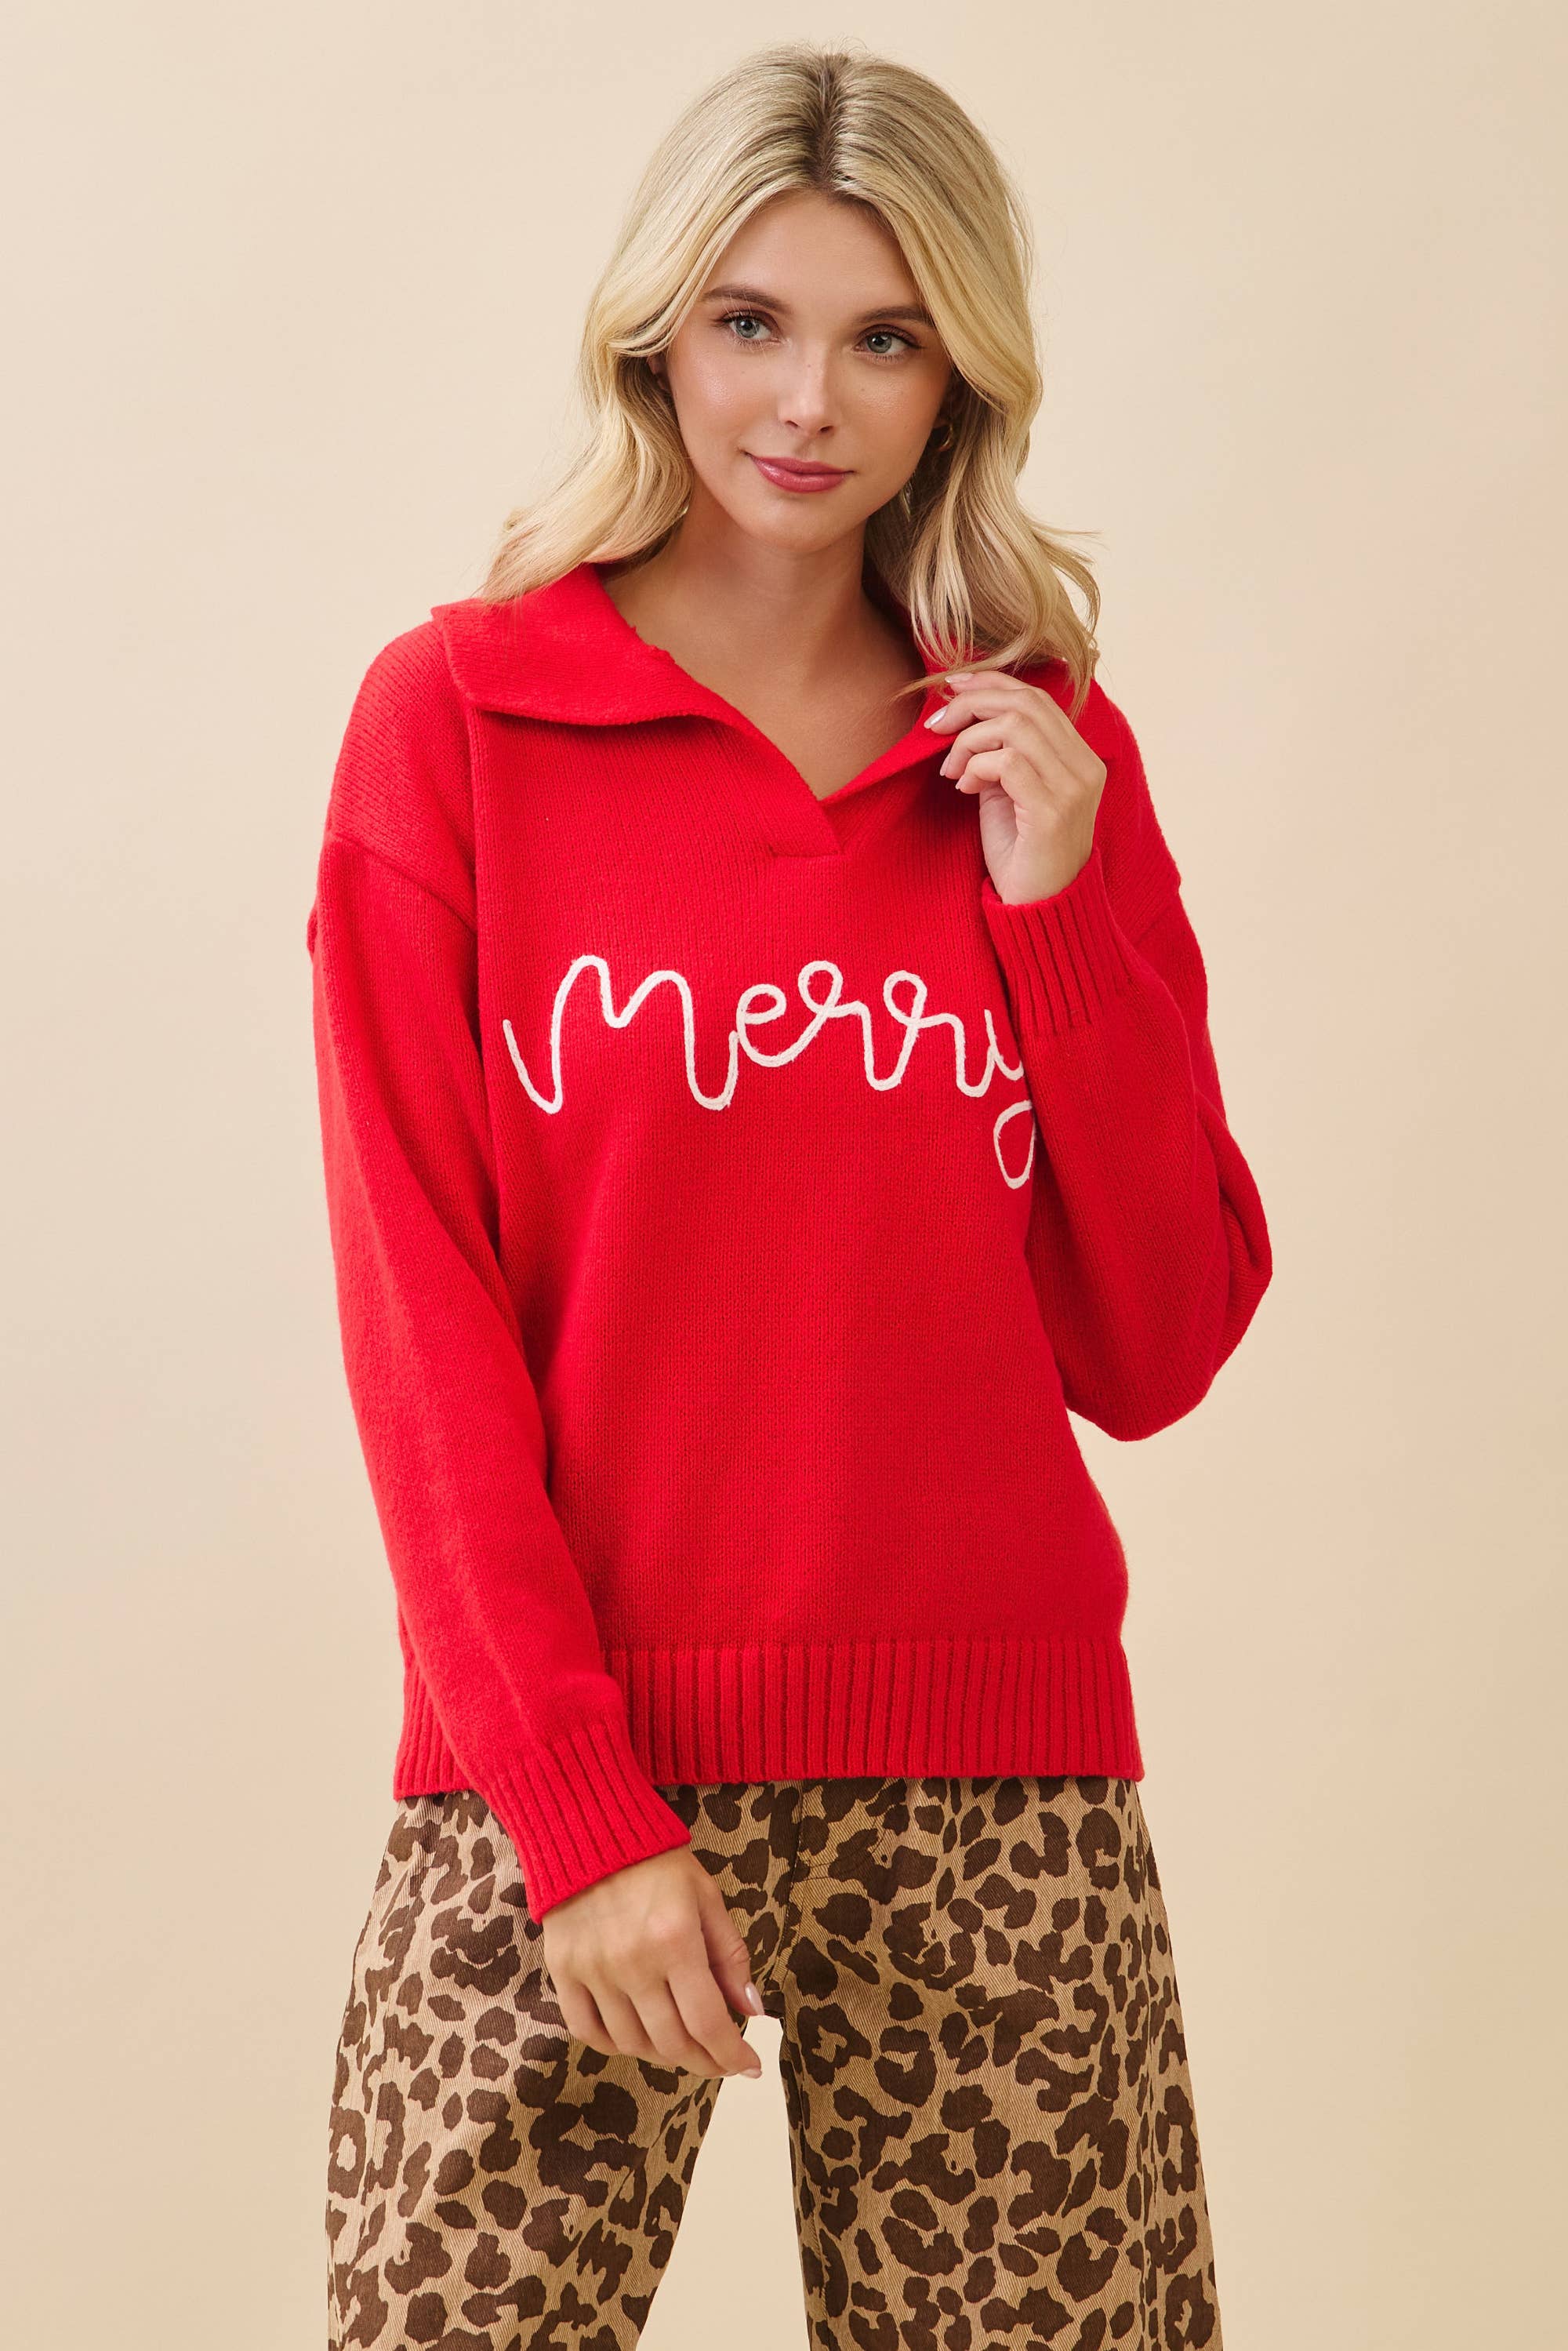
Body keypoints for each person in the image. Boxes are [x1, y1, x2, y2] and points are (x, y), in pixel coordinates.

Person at [308, 39, 1271, 2351]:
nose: (809, 401)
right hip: (564, 1773)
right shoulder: (458, 729)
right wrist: (578, 1810)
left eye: (884, 336)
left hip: (1000, 1780)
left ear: (961, 380)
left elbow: (1156, 1347)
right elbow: (422, 1325)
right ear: (658, 332)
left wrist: (1056, 906)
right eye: (752, 321)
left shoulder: (1045, 755)